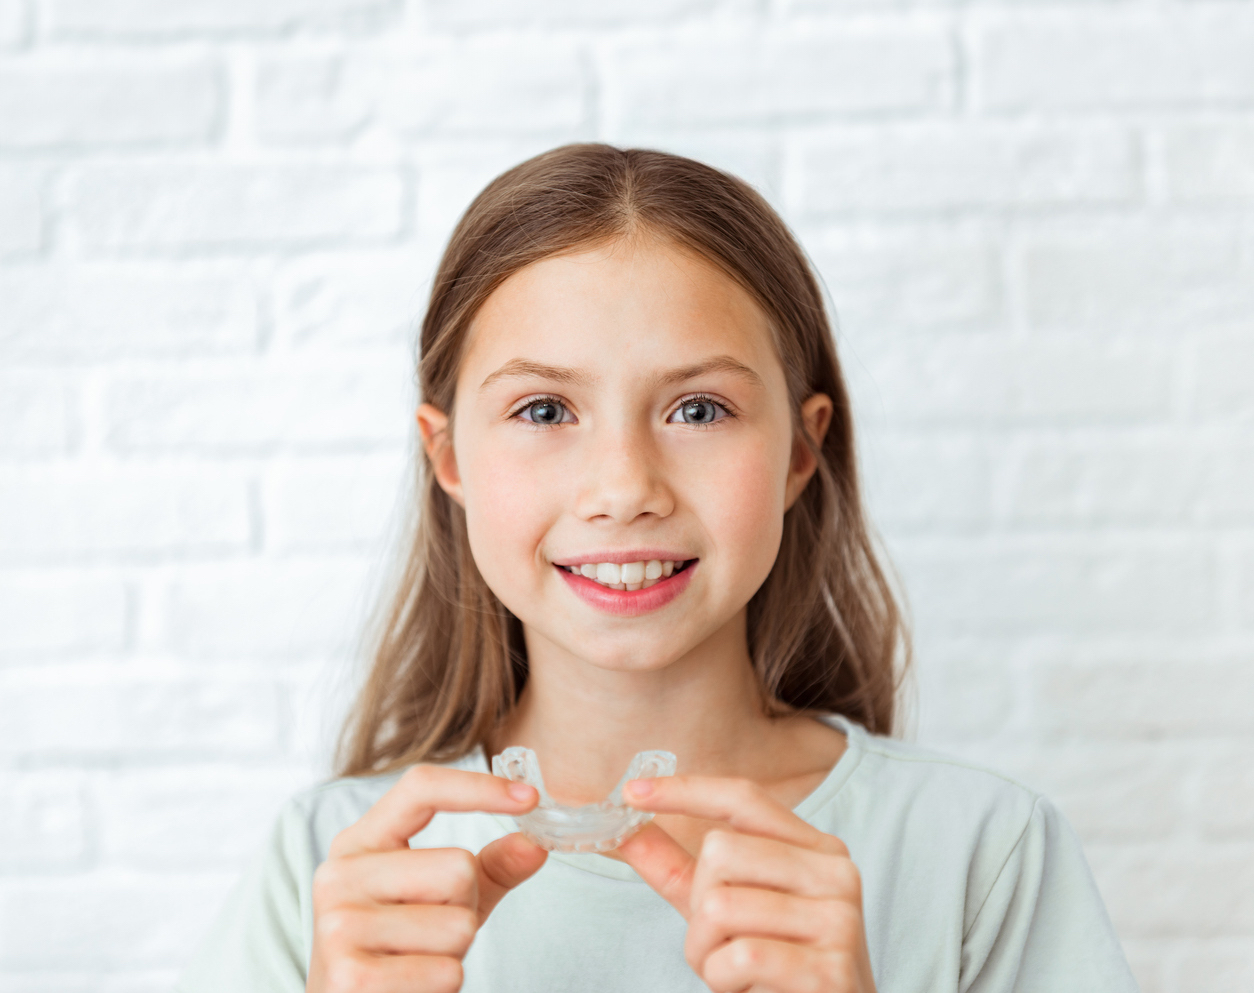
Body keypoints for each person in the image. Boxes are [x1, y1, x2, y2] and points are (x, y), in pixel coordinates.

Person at [176, 143, 1139, 993]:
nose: (625, 486)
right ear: (451, 458)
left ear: (801, 454)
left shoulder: (983, 850)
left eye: (699, 410)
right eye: (546, 411)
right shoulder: (328, 866)